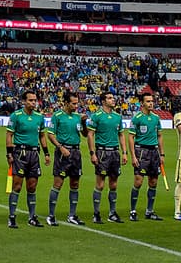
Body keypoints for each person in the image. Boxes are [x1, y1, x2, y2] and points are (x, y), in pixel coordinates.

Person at [6, 89, 50, 228]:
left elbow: (42, 136)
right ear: (24, 101)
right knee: (17, 186)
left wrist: (47, 153)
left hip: (34, 154)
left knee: (32, 187)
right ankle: (12, 216)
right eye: (30, 100)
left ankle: (32, 217)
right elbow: (9, 135)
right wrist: (9, 153)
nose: (33, 103)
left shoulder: (39, 117)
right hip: (20, 153)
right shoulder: (16, 116)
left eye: (34, 100)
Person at [46, 91, 85, 226]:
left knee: (75, 184)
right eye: (73, 103)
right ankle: (51, 216)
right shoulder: (57, 116)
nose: (76, 106)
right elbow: (50, 134)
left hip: (76, 152)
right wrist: (60, 147)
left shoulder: (78, 117)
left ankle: (72, 215)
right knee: (58, 183)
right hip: (63, 152)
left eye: (77, 103)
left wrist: (84, 123)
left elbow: (84, 134)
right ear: (66, 103)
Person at [86, 92, 125, 223]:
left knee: (113, 184)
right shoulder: (96, 116)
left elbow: (121, 134)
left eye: (113, 98)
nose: (113, 100)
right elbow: (90, 135)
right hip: (102, 152)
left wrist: (124, 152)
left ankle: (112, 213)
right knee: (100, 184)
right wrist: (92, 153)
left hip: (115, 152)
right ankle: (96, 213)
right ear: (103, 101)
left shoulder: (117, 116)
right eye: (109, 98)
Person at [126, 92, 164, 222]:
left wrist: (162, 153)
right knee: (138, 182)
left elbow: (159, 136)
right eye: (148, 101)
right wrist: (133, 156)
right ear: (142, 103)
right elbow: (130, 137)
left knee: (153, 182)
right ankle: (132, 211)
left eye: (152, 101)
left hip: (154, 152)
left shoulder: (156, 118)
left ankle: (149, 211)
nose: (151, 103)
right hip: (141, 151)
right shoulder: (137, 118)